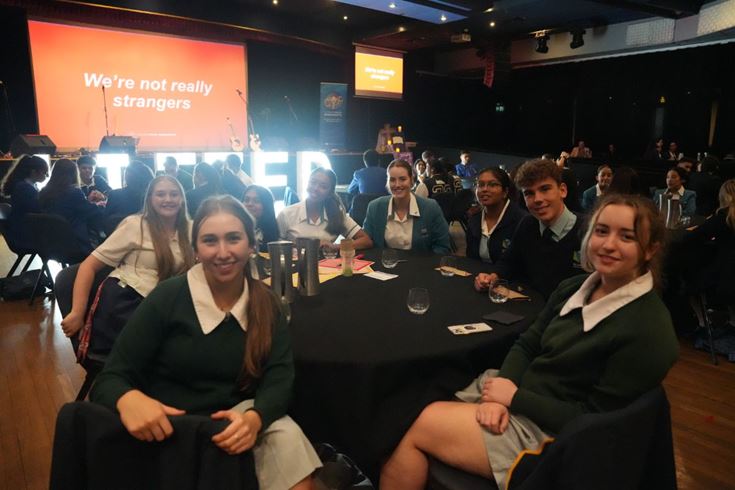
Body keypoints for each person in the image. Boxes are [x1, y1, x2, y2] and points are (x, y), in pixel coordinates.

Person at [381, 194, 678, 490]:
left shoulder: (648, 330)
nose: (609, 244)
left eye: (626, 236)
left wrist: (513, 399)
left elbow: (595, 424)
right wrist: (504, 387)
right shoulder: (573, 287)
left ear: (651, 249)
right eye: (601, 231)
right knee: (409, 400)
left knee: (411, 426)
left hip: (552, 439)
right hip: (521, 395)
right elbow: (528, 344)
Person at [89, 195, 321, 490]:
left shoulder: (267, 303)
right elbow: (110, 378)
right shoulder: (167, 298)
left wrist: (257, 417)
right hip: (171, 427)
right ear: (195, 250)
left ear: (251, 245)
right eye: (210, 241)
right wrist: (128, 399)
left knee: (290, 445)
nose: (223, 252)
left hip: (239, 420)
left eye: (233, 238)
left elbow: (280, 376)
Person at [61, 176, 195, 361]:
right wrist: (77, 312)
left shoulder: (191, 229)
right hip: (128, 300)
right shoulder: (135, 225)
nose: (168, 199)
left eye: (174, 194)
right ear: (150, 199)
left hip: (168, 303)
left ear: (182, 199)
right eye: (160, 194)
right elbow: (88, 266)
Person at [474, 159, 582, 299]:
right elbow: (509, 261)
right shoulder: (527, 224)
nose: (537, 199)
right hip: (529, 304)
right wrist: (492, 277)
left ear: (562, 190)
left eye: (545, 189)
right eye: (529, 193)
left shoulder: (589, 231)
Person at [362, 160, 450, 254]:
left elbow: (443, 246)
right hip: (384, 262)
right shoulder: (375, 207)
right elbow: (366, 240)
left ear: (411, 181)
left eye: (403, 179)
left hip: (420, 263)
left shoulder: (431, 207)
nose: (397, 185)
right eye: (392, 180)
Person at [277, 167, 373, 250]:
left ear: (330, 193)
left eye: (323, 186)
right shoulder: (287, 213)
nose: (315, 188)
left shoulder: (336, 214)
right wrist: (296, 245)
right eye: (313, 182)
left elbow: (366, 241)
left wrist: (335, 246)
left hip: (328, 264)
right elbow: (274, 244)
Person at [682, 179, 735, 324]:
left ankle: (703, 323)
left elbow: (693, 237)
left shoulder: (724, 216)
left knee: (689, 280)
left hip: (726, 275)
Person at [39, 159, 105, 254]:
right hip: (76, 242)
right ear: (74, 173)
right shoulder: (74, 192)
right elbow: (92, 212)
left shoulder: (43, 192)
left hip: (50, 242)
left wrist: (87, 202)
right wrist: (99, 205)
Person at [465, 167, 526, 263]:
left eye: (492, 185)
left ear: (505, 192)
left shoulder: (522, 220)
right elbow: (471, 258)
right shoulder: (474, 218)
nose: (485, 189)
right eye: (480, 185)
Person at [0, 155, 48, 250]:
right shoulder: (24, 188)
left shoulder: (25, 185)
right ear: (34, 171)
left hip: (21, 230)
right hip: (24, 234)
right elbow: (37, 209)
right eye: (45, 172)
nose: (47, 176)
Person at [105, 161, 155, 232]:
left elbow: (105, 223)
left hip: (118, 235)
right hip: (147, 234)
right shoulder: (152, 196)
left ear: (126, 177)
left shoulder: (114, 194)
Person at [243, 184, 279, 252]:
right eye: (246, 200)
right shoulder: (235, 226)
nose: (250, 204)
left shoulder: (272, 229)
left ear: (266, 206)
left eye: (256, 201)